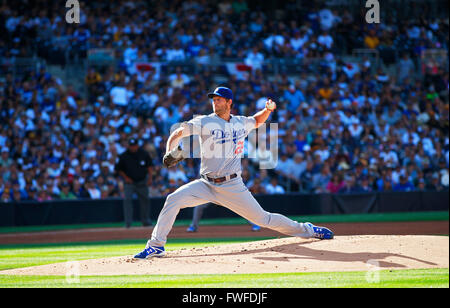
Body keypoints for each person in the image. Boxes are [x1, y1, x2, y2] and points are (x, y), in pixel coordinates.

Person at [134, 86, 333, 259]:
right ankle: (156, 246)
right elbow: (177, 132)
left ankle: (308, 230)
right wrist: (171, 150)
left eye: (219, 99)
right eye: (213, 99)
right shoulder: (205, 121)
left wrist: (267, 110)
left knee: (264, 219)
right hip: (206, 184)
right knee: (173, 199)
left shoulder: (240, 122)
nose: (215, 102)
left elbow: (256, 121)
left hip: (232, 185)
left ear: (229, 102)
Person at [115, 138, 153, 228]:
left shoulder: (144, 154)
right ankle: (128, 223)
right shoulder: (123, 155)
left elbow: (150, 166)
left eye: (134, 146)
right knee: (127, 200)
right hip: (129, 183)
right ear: (128, 146)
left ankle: (146, 220)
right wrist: (126, 178)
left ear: (137, 145)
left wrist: (150, 178)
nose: (133, 148)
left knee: (145, 200)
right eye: (131, 146)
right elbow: (118, 169)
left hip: (142, 181)